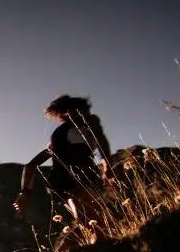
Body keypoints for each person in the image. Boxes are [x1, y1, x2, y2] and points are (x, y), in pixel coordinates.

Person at [14, 94, 114, 244]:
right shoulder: (65, 135)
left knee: (88, 221)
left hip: (75, 181)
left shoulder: (86, 126)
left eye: (83, 112)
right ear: (65, 114)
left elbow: (30, 166)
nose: (82, 116)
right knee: (90, 221)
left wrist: (25, 192)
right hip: (68, 183)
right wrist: (24, 192)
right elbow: (31, 165)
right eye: (76, 112)